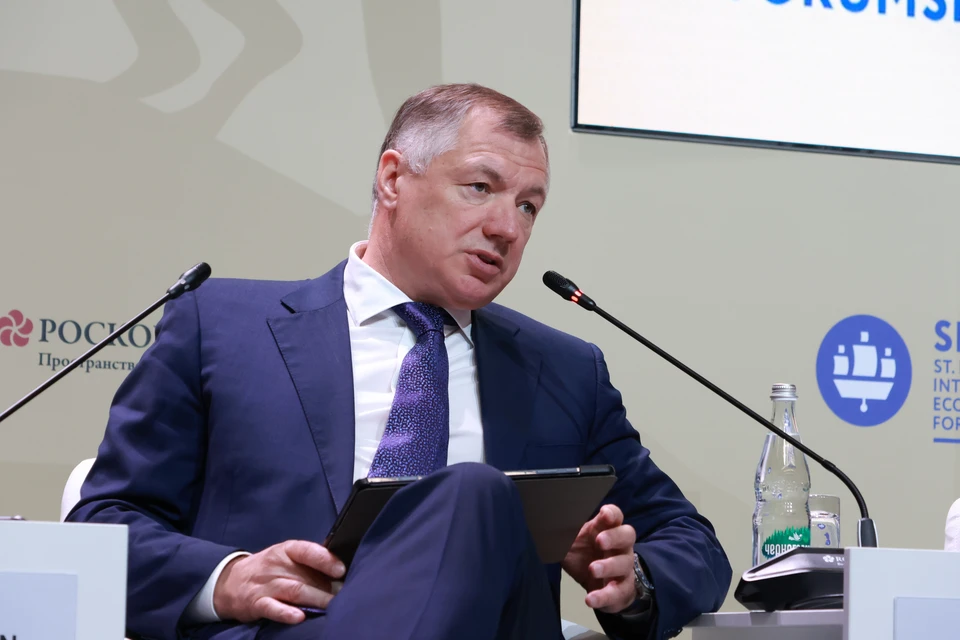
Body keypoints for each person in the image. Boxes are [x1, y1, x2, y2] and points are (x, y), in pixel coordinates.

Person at [68, 83, 732, 640]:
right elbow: (102, 526)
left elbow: (691, 543)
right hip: (288, 632)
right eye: (480, 187)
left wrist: (630, 579)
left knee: (473, 492)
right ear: (393, 179)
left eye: (529, 206)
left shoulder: (563, 370)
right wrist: (229, 579)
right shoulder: (220, 326)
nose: (508, 227)